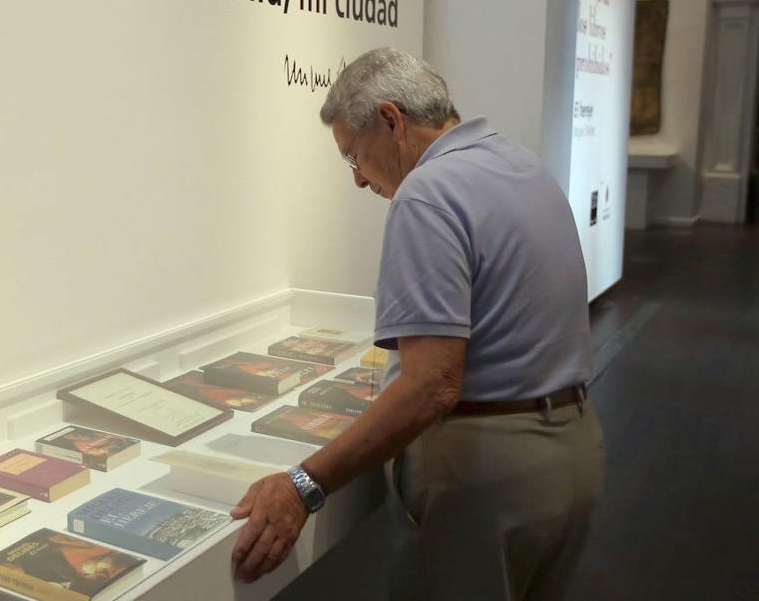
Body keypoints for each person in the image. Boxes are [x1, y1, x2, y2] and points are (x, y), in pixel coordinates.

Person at [230, 47, 605, 600]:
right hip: (572, 452)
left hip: (484, 476)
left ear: (390, 121)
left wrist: (304, 485)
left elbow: (431, 385)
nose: (358, 180)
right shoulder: (522, 165)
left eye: (353, 155)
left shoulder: (427, 194)